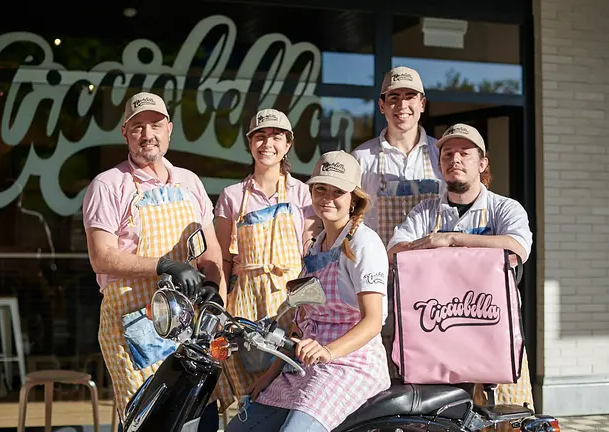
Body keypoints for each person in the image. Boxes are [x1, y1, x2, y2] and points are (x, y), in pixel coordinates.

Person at [82, 92, 226, 430]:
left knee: (197, 417)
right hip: (136, 324)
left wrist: (212, 286)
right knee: (149, 421)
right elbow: (101, 257)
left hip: (187, 324)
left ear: (169, 129)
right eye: (138, 127)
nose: (148, 135)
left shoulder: (189, 182)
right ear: (125, 133)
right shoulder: (108, 185)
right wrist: (165, 265)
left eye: (155, 125)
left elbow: (210, 251)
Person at [225, 151, 391, 432]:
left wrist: (327, 351)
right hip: (306, 365)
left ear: (354, 198)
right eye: (320, 189)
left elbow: (373, 321)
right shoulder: (315, 246)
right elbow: (300, 324)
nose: (327, 198)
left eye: (338, 191)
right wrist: (270, 375)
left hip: (350, 366)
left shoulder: (365, 243)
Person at [386, 123, 534, 410]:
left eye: (464, 153)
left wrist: (451, 239)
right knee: (443, 420)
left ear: (482, 163)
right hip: (437, 339)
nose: (455, 160)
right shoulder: (424, 212)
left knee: (505, 418)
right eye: (448, 154)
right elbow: (395, 252)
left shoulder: (505, 208)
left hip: (495, 334)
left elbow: (517, 248)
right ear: (440, 164)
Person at [213, 109, 320, 412]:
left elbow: (310, 254)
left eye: (276, 137)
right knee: (248, 392)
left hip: (289, 302)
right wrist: (219, 307)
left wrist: (308, 309)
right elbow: (222, 259)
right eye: (260, 136)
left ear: (288, 145)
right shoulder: (232, 196)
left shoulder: (303, 194)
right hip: (244, 303)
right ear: (250, 143)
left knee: (287, 385)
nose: (267, 144)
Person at [351, 65, 443, 378]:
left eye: (409, 97)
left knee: (431, 358)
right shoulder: (362, 158)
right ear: (381, 105)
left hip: (434, 280)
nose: (401, 105)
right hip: (381, 280)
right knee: (383, 360)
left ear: (422, 104)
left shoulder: (442, 155)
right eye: (393, 97)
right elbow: (350, 221)